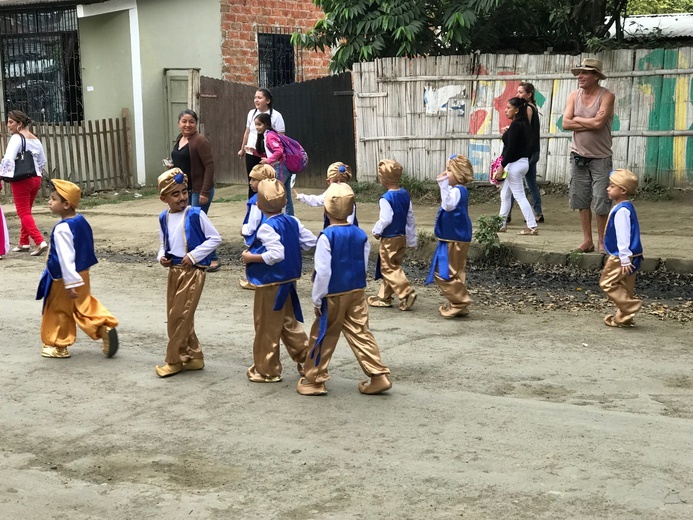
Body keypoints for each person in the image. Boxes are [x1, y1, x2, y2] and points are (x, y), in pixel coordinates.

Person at [297, 183, 392, 396]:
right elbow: (364, 262)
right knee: (361, 333)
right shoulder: (360, 234)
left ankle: (314, 379)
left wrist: (317, 299)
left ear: (326, 209)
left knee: (323, 335)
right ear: (351, 209)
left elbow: (323, 273)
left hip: (333, 294)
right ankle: (378, 375)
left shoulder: (326, 237)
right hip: (357, 291)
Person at [241, 178, 317, 383]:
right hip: (289, 281)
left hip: (270, 283)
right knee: (288, 322)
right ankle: (309, 359)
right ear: (285, 202)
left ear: (258, 204)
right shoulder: (293, 221)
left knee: (265, 326)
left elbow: (276, 255)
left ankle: (267, 369)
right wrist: (294, 246)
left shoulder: (266, 227)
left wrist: (251, 258)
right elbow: (310, 242)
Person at [35, 179, 119, 359]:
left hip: (63, 278)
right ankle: (104, 326)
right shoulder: (81, 220)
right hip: (83, 272)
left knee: (59, 310)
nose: (49, 202)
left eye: (53, 199)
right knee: (84, 304)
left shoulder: (62, 228)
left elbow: (65, 258)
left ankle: (59, 346)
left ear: (66, 204)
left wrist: (70, 282)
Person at [154, 168, 222, 377]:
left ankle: (175, 360)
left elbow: (215, 238)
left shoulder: (195, 214)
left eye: (184, 192)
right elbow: (163, 243)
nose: (182, 198)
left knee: (179, 316)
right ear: (163, 198)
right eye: (176, 194)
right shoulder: (163, 217)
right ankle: (193, 356)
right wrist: (161, 257)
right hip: (174, 271)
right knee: (179, 315)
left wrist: (193, 256)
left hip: (191, 271)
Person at [562, 58, 615, 253]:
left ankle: (602, 241)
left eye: (585, 73)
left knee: (602, 200)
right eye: (579, 73)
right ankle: (587, 241)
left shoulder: (607, 96)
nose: (580, 76)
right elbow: (565, 124)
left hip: (601, 157)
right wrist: (588, 121)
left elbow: (599, 124)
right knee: (581, 199)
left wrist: (577, 119)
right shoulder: (573, 96)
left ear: (596, 76)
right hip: (578, 155)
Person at [169, 109, 221, 271]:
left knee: (197, 223)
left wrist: (204, 192)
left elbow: (209, 166)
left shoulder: (200, 141)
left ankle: (213, 258)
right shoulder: (180, 139)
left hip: (199, 190)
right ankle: (193, 256)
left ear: (196, 124)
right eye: (184, 121)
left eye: (191, 121)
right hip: (185, 190)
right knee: (188, 223)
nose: (188, 125)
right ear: (179, 124)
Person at [426, 154, 475, 318]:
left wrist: (443, 185)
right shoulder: (459, 190)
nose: (445, 173)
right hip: (455, 236)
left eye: (448, 170)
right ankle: (458, 304)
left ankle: (460, 301)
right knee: (456, 272)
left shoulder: (457, 191)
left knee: (444, 272)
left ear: (459, 172)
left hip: (455, 237)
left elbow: (447, 205)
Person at [368, 159, 418, 310]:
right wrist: (412, 238)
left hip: (389, 239)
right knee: (393, 267)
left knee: (388, 268)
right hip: (401, 237)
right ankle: (384, 297)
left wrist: (376, 230)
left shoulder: (386, 199)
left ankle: (406, 292)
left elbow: (386, 219)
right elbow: (410, 217)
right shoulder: (404, 194)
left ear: (383, 179)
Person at [599, 169, 643, 328]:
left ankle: (629, 306)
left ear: (623, 190)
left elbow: (623, 236)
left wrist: (624, 258)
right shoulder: (626, 206)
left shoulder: (621, 210)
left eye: (612, 186)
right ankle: (624, 318)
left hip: (621, 256)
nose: (607, 188)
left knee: (607, 282)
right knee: (625, 286)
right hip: (634, 254)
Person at [1, 110, 48, 255]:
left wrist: (2, 175)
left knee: (23, 213)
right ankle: (24, 242)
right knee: (26, 211)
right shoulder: (35, 139)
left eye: (11, 122)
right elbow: (42, 161)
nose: (8, 125)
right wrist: (38, 173)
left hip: (21, 180)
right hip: (35, 179)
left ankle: (39, 241)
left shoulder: (16, 138)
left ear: (19, 124)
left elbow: (8, 159)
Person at [495, 97, 539, 235]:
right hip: (523, 162)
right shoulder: (524, 124)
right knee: (505, 194)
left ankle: (532, 225)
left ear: (517, 110)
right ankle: (501, 223)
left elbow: (511, 149)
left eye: (509, 108)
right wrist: (508, 133)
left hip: (514, 165)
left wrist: (502, 165)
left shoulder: (516, 125)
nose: (506, 110)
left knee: (519, 195)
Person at [237, 88, 285, 198]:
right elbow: (247, 132)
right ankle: (252, 206)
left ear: (267, 101)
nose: (256, 100)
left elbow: (282, 137)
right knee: (252, 181)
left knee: (266, 182)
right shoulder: (251, 113)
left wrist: (275, 156)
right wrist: (242, 149)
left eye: (259, 98)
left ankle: (268, 205)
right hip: (251, 152)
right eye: (255, 98)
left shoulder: (276, 116)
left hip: (267, 155)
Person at [507, 82, 544, 224]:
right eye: (517, 92)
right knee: (529, 183)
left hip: (527, 152)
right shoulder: (530, 107)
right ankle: (537, 212)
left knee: (514, 181)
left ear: (529, 95)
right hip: (532, 150)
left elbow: (525, 130)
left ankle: (509, 214)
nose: (518, 95)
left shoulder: (528, 108)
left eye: (521, 92)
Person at [238, 163, 275, 290]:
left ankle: (254, 281)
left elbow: (254, 222)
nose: (250, 182)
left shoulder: (256, 200)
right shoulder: (273, 197)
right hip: (271, 232)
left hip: (259, 236)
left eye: (254, 180)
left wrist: (243, 230)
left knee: (253, 258)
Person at [294, 161, 357, 228]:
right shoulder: (328, 193)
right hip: (331, 227)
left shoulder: (348, 195)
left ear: (347, 181)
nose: (338, 184)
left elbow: (351, 217)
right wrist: (302, 197)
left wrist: (348, 229)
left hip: (348, 229)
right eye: (335, 181)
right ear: (328, 181)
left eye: (342, 181)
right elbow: (318, 200)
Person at [255, 112, 295, 216]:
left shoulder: (270, 136)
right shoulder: (268, 135)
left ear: (266, 124)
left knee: (275, 192)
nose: (257, 127)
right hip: (283, 166)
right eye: (256, 125)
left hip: (280, 167)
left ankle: (276, 216)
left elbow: (279, 151)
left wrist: (268, 161)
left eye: (259, 124)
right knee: (286, 194)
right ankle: (289, 217)